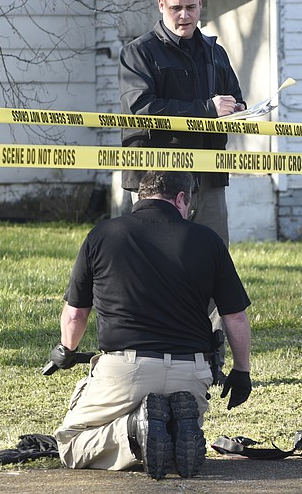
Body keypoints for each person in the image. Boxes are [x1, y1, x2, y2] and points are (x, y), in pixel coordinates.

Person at [50, 171, 253, 480]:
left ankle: (133, 431)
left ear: (141, 196)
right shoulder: (208, 240)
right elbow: (235, 317)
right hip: (190, 373)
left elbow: (76, 314)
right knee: (169, 444)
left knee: (70, 443)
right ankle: (170, 428)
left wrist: (66, 349)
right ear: (182, 199)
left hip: (125, 370)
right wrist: (241, 372)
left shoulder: (103, 235)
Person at [119, 0, 247, 380]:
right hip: (154, 184)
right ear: (161, 6)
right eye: (176, 7)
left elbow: (233, 100)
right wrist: (206, 109)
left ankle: (210, 358)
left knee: (212, 267)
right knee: (146, 267)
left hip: (207, 181)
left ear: (201, 5)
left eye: (191, 7)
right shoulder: (138, 52)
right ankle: (143, 352)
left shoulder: (214, 52)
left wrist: (242, 110)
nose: (184, 15)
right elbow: (142, 109)